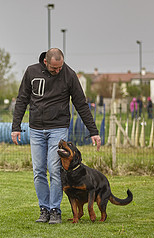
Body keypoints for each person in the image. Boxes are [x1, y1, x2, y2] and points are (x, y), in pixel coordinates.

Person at [11, 48, 101, 224]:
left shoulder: (69, 75)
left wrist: (93, 131)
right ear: (46, 61)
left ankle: (55, 210)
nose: (57, 71)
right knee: (38, 171)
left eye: (60, 67)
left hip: (58, 129)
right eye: (54, 68)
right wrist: (16, 127)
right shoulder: (32, 72)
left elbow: (81, 104)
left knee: (54, 170)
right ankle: (43, 209)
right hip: (36, 128)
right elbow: (22, 99)